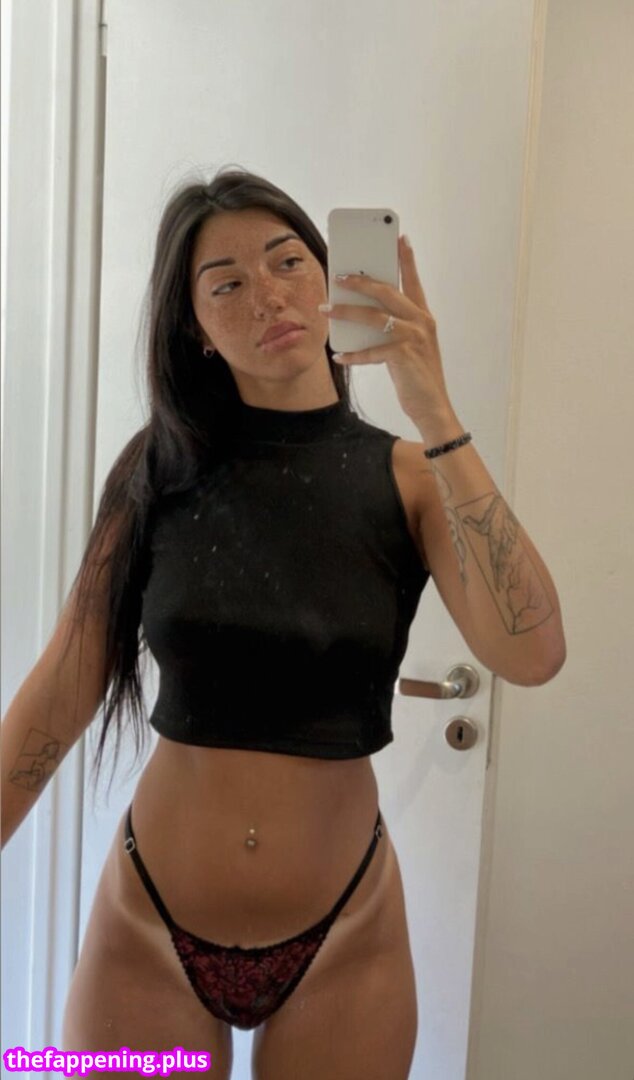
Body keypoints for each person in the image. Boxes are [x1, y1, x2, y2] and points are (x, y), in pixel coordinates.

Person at [1, 166, 566, 1079]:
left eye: (288, 261)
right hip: (150, 928)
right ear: (195, 326)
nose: (267, 295)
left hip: (346, 933)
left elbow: (532, 651)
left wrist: (434, 408)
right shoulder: (156, 471)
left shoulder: (412, 478)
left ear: (329, 274)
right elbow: (65, 684)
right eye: (226, 284)